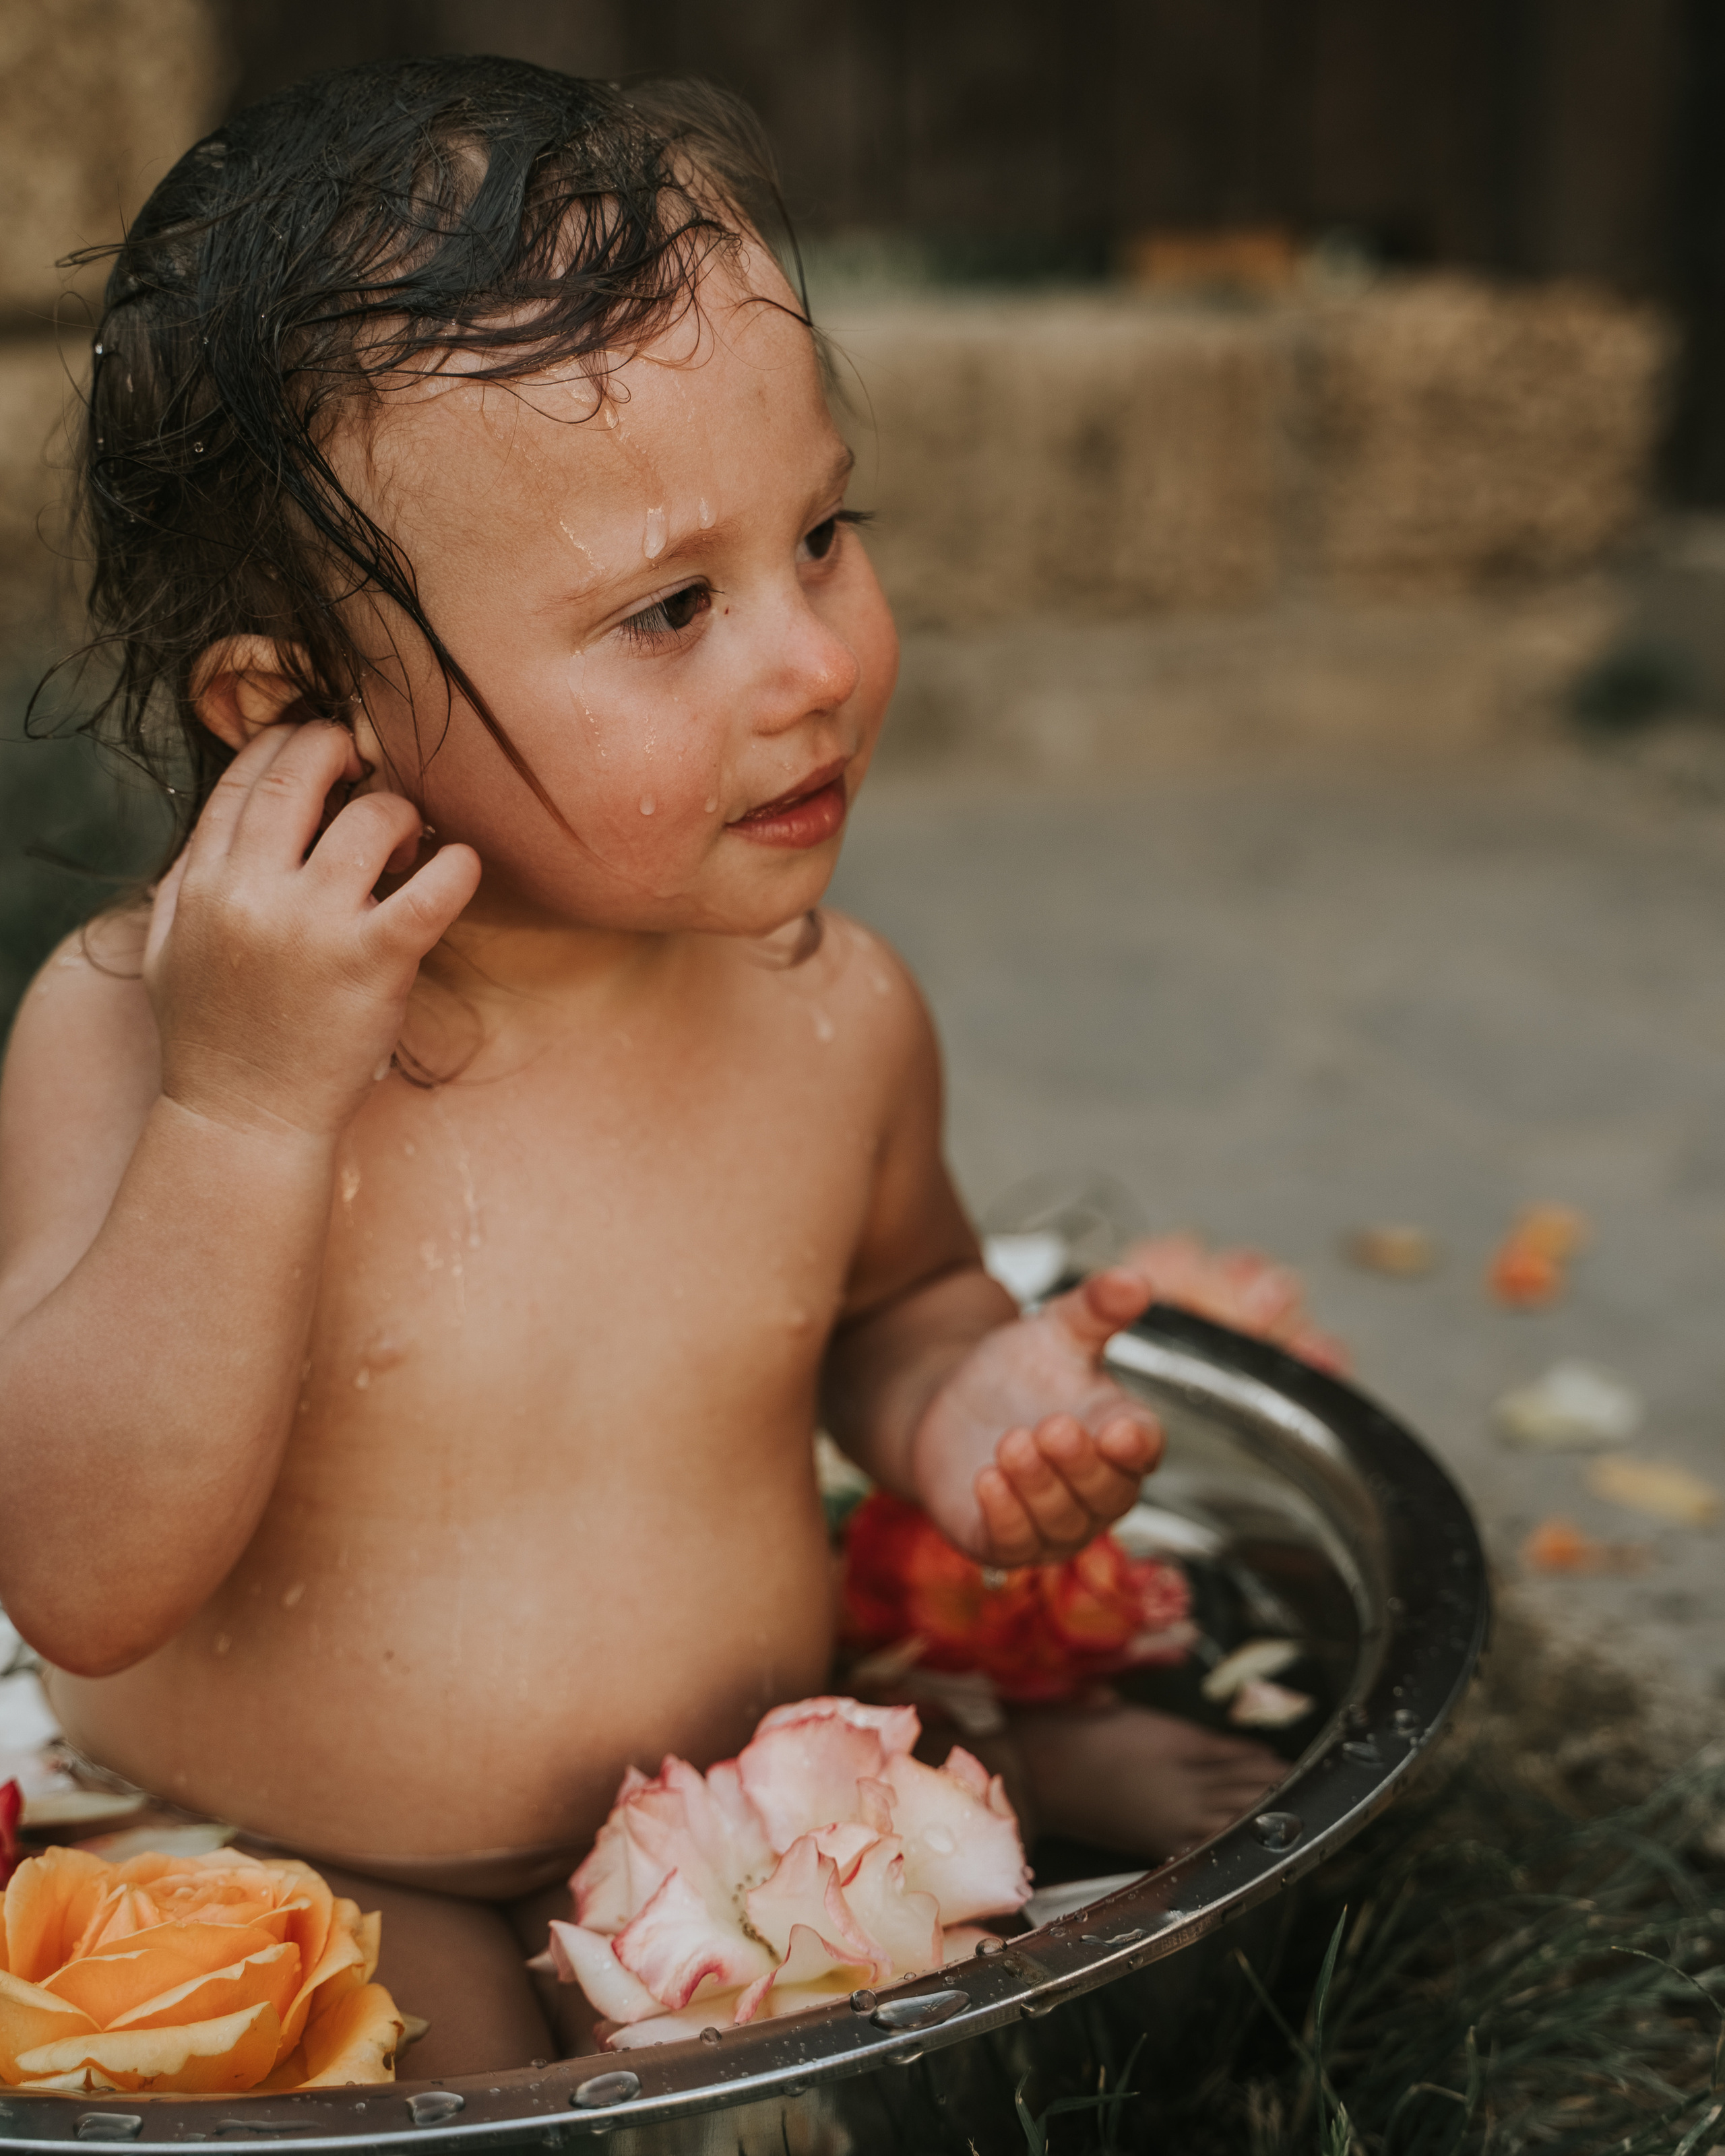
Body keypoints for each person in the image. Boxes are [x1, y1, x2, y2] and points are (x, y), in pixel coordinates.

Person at [0, 59, 1280, 2074]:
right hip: (320, 1843)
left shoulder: (828, 1004)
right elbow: (80, 1575)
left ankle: (988, 1747)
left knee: (944, 1961)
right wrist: (244, 1113)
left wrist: (966, 1408)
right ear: (296, 715)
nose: (815, 661)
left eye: (826, 535)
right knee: (486, 2085)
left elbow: (895, 1299)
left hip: (753, 1777)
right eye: (673, 606)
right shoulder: (136, 1025)